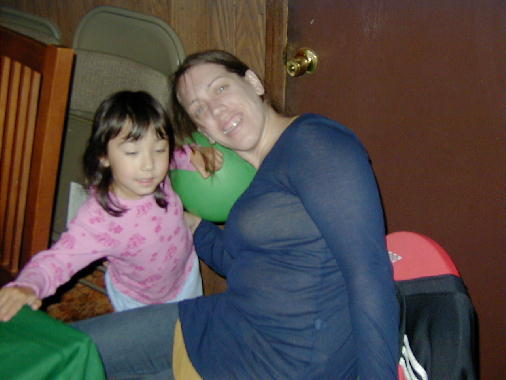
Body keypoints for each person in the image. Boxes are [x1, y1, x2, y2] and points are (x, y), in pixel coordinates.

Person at [72, 50, 400, 380]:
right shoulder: (257, 177)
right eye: (198, 109)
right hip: (224, 325)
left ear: (254, 83)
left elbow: (368, 273)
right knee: (64, 351)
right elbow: (248, 265)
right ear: (205, 133)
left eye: (220, 88)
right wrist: (193, 226)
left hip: (280, 366)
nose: (215, 109)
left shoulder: (315, 143)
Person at [0, 90, 222, 320]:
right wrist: (28, 285)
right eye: (132, 152)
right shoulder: (100, 219)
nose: (149, 165)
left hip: (185, 275)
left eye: (158, 150)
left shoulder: (157, 170)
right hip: (140, 301)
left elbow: (174, 156)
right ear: (104, 156)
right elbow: (58, 259)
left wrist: (195, 155)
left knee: (192, 329)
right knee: (154, 347)